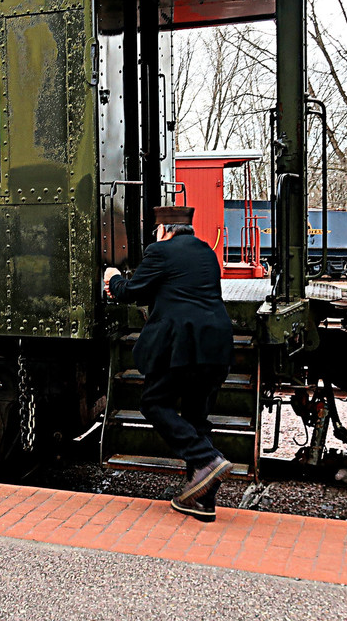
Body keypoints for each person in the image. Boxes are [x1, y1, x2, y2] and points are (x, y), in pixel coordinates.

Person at [104, 205, 235, 522]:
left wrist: (113, 277)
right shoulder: (206, 252)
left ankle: (207, 459)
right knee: (196, 418)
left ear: (163, 230)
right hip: (216, 345)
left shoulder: (160, 251)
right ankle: (201, 499)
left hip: (181, 346)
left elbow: (132, 291)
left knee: (153, 403)